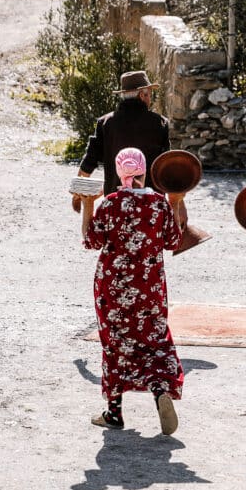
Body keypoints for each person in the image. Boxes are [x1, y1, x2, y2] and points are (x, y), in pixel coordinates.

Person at [80, 147, 184, 436]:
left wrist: (88, 203)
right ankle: (159, 388)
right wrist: (174, 202)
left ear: (119, 171)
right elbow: (173, 241)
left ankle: (114, 412)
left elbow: (91, 241)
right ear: (143, 169)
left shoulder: (111, 204)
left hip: (112, 287)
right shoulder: (158, 204)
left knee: (115, 344)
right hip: (149, 287)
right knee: (153, 339)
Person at [72, 70, 170, 213]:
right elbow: (166, 167)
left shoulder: (106, 123)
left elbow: (89, 161)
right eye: (149, 94)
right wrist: (179, 205)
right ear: (142, 95)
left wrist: (77, 194)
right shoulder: (160, 123)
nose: (150, 99)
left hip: (116, 204)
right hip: (152, 206)